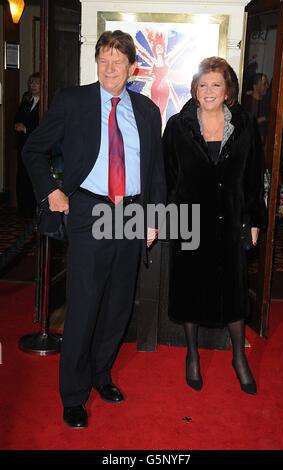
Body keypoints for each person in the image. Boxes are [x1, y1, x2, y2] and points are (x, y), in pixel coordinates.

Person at [22, 30, 166, 428]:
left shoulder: (147, 111)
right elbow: (32, 149)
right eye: (103, 59)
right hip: (90, 212)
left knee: (118, 306)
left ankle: (101, 375)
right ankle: (73, 394)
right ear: (96, 62)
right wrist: (51, 190)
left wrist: (154, 216)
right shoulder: (73, 102)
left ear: (132, 68)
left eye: (118, 61)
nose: (109, 68)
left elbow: (155, 170)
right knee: (84, 306)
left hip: (132, 214)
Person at [163, 57, 266, 395]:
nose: (208, 91)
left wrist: (254, 221)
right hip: (189, 222)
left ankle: (238, 357)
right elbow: (169, 178)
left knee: (234, 291)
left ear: (227, 91)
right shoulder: (178, 126)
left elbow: (253, 178)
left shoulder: (246, 125)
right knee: (190, 288)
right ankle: (191, 354)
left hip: (231, 220)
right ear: (194, 89)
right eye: (202, 84)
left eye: (216, 85)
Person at [14, 72, 40, 217]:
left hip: (37, 146)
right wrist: (17, 124)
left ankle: (33, 209)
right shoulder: (26, 98)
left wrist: (25, 128)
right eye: (31, 83)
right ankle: (23, 209)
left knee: (33, 177)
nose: (33, 86)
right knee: (21, 176)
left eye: (36, 83)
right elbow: (18, 116)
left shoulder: (46, 102)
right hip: (23, 144)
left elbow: (42, 125)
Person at [242, 73, 270, 144]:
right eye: (264, 84)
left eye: (267, 83)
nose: (267, 86)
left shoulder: (267, 102)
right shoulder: (246, 101)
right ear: (255, 86)